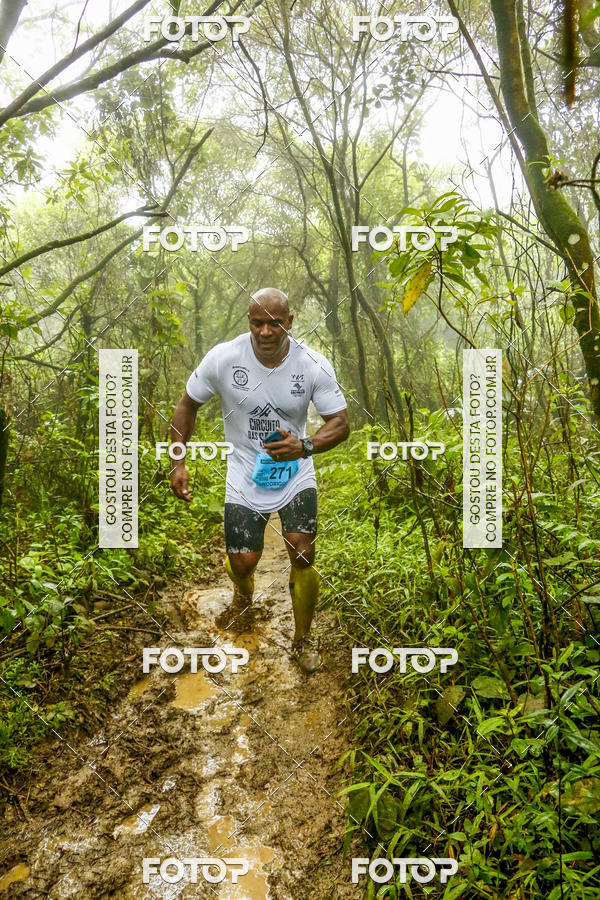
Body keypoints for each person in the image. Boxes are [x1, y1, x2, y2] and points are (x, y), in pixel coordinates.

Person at [169, 287, 349, 673]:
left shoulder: (312, 364)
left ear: (290, 322)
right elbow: (187, 404)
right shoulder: (223, 358)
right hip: (243, 471)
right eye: (257, 323)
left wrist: (305, 446)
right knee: (243, 562)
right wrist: (178, 461)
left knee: (303, 552)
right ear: (248, 322)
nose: (265, 332)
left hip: (294, 470)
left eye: (275, 323)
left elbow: (340, 422)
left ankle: (302, 640)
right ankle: (242, 594)